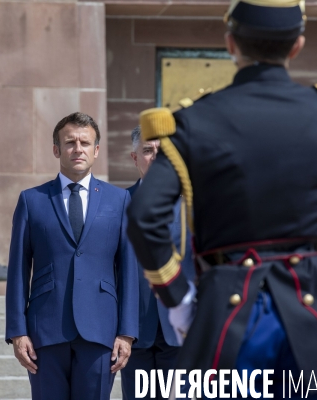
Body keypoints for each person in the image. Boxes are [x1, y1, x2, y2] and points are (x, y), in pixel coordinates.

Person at [126, 0, 317, 398]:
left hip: (228, 310)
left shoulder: (192, 121)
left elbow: (144, 219)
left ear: (231, 43)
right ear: (297, 45)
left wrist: (179, 302)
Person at [5, 112, 139, 400]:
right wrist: (18, 332)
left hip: (101, 331)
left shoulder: (119, 200)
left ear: (96, 150)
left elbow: (128, 270)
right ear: (56, 149)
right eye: (70, 142)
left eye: (85, 143)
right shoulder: (32, 200)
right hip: (45, 332)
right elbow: (17, 270)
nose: (77, 149)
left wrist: (126, 333)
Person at [121, 126, 194, 400]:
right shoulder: (118, 204)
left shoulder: (193, 208)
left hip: (181, 330)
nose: (154, 158)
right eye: (147, 151)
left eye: (161, 153)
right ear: (134, 158)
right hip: (135, 331)